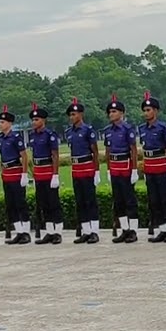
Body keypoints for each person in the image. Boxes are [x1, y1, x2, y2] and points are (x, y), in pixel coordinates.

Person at [139, 91, 166, 243]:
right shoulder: (142, 128)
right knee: (154, 200)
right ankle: (162, 229)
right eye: (145, 110)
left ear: (156, 111)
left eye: (148, 110)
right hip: (149, 166)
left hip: (161, 164)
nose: (146, 113)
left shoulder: (163, 127)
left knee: (164, 199)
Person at [103, 94, 140, 244]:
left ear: (122, 113)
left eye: (114, 112)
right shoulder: (107, 130)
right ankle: (124, 230)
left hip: (125, 165)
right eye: (110, 112)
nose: (111, 114)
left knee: (129, 200)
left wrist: (135, 169)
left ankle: (133, 231)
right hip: (114, 166)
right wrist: (107, 168)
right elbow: (107, 150)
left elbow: (133, 150)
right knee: (118, 201)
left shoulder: (127, 129)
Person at [65, 97, 101, 244]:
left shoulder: (88, 130)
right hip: (76, 168)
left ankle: (94, 231)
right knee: (80, 201)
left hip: (87, 167)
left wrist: (96, 171)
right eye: (70, 115)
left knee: (90, 200)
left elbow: (95, 152)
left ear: (81, 114)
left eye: (74, 114)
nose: (72, 117)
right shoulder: (69, 132)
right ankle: (86, 231)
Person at [28, 103, 63, 244]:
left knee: (53, 203)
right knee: (43, 204)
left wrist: (55, 174)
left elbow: (55, 155)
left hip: (48, 171)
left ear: (43, 121)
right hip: (39, 172)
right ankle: (49, 231)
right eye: (33, 120)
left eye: (37, 120)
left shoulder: (50, 135)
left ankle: (58, 232)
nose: (34, 122)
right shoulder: (32, 136)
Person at [0, 106, 32, 244]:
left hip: (16, 172)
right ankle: (19, 231)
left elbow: (24, 156)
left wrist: (24, 174)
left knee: (20, 203)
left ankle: (26, 232)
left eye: (2, 122)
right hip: (7, 173)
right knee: (10, 204)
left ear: (9, 123)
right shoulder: (1, 138)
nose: (0, 125)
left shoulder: (15, 137)